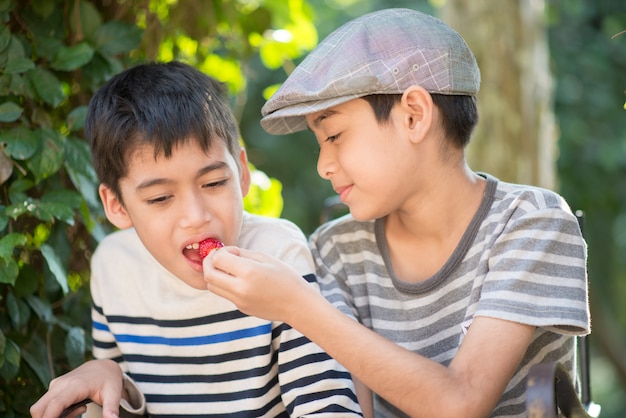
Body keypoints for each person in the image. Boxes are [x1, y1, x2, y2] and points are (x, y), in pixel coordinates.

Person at [201, 8, 591, 418]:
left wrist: (298, 305)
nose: (323, 166)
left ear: (414, 116)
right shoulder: (338, 249)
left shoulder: (533, 222)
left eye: (334, 135)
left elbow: (461, 403)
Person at [29, 61, 363, 418]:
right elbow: (125, 404)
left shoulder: (276, 253)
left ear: (242, 173)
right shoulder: (114, 267)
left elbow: (327, 407)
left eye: (214, 183)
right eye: (160, 198)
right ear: (117, 205)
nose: (196, 216)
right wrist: (110, 377)